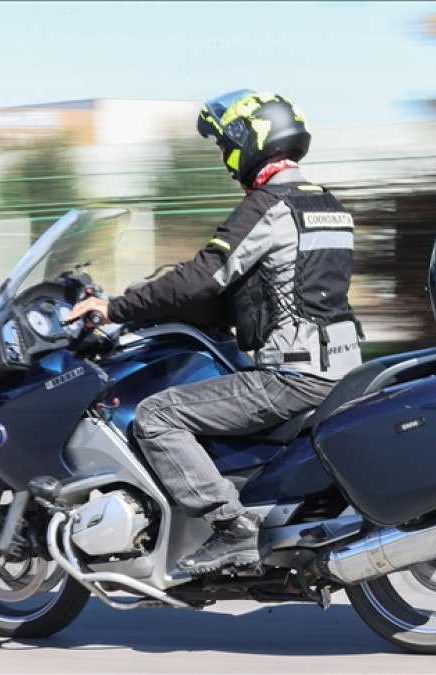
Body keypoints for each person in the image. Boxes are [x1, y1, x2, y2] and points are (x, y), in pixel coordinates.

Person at [67, 90, 362, 574]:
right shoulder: (328, 205)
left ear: (251, 140)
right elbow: (271, 288)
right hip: (343, 367)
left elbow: (203, 276)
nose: (226, 156)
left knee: (158, 415)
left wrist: (115, 307)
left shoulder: (269, 206)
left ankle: (230, 527)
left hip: (292, 375)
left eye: (228, 142)